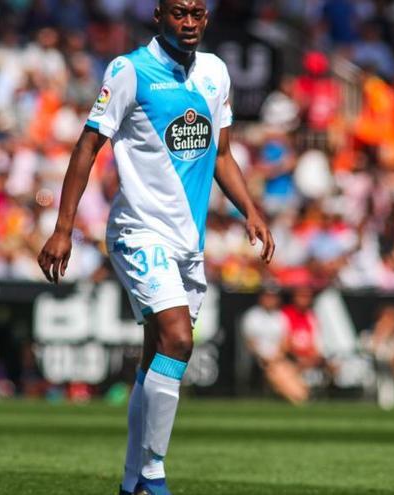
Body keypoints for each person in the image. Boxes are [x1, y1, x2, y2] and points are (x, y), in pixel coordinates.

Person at [37, 2, 275, 494]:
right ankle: (154, 475)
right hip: (138, 232)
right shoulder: (129, 71)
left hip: (189, 244)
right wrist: (64, 228)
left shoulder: (215, 72)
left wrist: (249, 209)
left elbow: (223, 153)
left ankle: (130, 484)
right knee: (180, 342)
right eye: (179, 13)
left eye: (197, 14)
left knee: (155, 363)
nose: (189, 23)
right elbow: (87, 146)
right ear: (158, 16)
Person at [240, 287, 309, 404]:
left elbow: (285, 342)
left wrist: (277, 356)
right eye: (267, 297)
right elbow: (250, 343)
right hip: (260, 358)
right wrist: (264, 357)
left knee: (285, 369)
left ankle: (299, 396)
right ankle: (297, 398)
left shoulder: (280, 317)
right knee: (279, 371)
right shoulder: (252, 316)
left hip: (278, 358)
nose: (270, 300)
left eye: (273, 297)